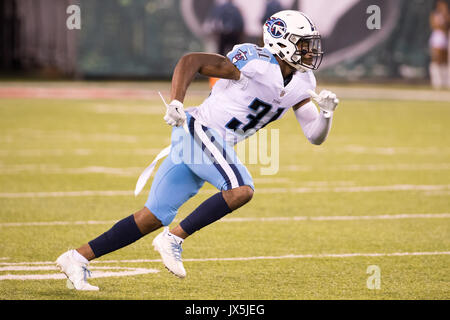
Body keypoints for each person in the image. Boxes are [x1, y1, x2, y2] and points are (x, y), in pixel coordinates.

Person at [56, 10, 339, 291]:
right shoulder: (254, 62)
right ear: (281, 41)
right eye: (303, 43)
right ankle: (174, 239)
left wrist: (325, 115)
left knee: (153, 216)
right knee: (240, 188)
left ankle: (77, 257)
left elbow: (314, 136)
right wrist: (176, 102)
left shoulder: (303, 82)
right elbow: (191, 61)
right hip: (198, 129)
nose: (309, 50)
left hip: (208, 144)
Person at [429, 0, 450, 89]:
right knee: (437, 60)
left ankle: (445, 82)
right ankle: (437, 82)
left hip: (446, 39)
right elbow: (435, 25)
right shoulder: (435, 14)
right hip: (438, 39)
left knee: (445, 61)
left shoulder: (447, 15)